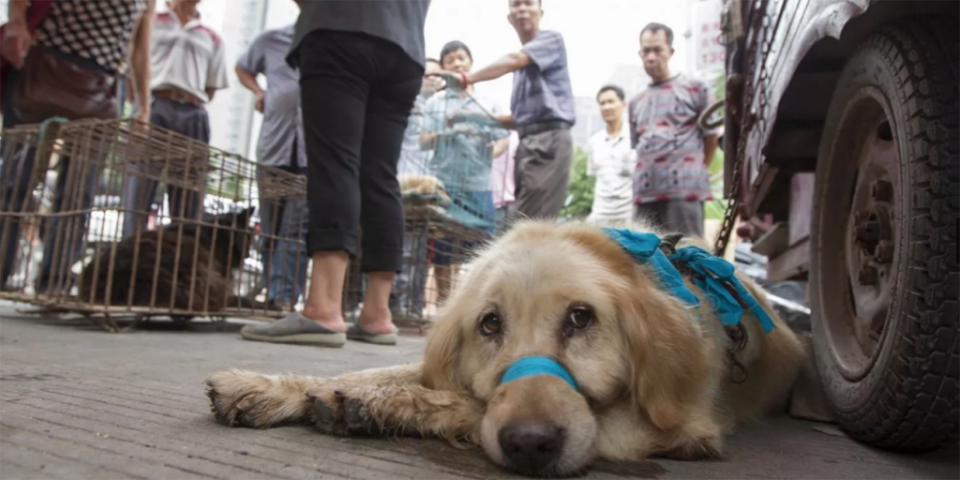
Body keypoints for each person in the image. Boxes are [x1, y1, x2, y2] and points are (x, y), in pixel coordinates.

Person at [238, 0, 432, 347]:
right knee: (381, 175)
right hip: (406, 48)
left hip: (339, 26)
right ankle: (377, 315)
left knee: (335, 164)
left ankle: (323, 310)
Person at [0, 0, 155, 292]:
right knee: (14, 179)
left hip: (102, 85)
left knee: (78, 193)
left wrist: (144, 107)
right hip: (43, 65)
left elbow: (140, 49)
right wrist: (17, 23)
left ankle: (55, 283)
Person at [435, 0, 575, 222]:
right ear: (510, 17)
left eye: (528, 3)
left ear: (541, 11)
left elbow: (514, 59)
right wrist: (470, 117)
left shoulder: (549, 40)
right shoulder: (519, 73)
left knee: (525, 223)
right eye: (516, 4)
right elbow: (516, 120)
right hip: (527, 144)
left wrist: (466, 78)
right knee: (526, 221)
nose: (522, 9)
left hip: (549, 140)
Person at [122, 0, 229, 236]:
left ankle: (180, 260)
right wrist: (140, 104)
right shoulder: (151, 20)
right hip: (154, 106)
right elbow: (132, 62)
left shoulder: (211, 36)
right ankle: (131, 256)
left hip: (193, 114)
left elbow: (211, 88)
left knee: (188, 198)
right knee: (139, 189)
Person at [420, 40, 508, 302]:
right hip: (444, 185)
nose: (456, 64)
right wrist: (448, 134)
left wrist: (490, 151)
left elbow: (503, 139)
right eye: (450, 61)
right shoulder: (435, 103)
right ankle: (446, 304)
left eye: (461, 58)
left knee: (482, 249)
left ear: (470, 63)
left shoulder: (487, 104)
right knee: (443, 251)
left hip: (479, 185)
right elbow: (423, 140)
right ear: (445, 69)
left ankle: (475, 305)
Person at [235, 0, 308, 311]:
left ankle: (283, 298)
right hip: (273, 147)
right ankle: (271, 288)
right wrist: (258, 91)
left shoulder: (330, 43)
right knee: (270, 229)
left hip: (310, 154)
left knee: (296, 231)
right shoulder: (271, 38)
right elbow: (242, 66)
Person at [628, 22, 720, 237]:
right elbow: (637, 145)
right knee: (645, 264)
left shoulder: (696, 87)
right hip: (644, 193)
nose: (651, 57)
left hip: (684, 191)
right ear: (640, 53)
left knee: (688, 257)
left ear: (670, 52)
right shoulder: (635, 101)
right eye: (646, 51)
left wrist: (695, 168)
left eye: (657, 50)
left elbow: (711, 137)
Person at [586, 84, 634, 224]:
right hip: (600, 216)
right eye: (602, 103)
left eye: (611, 101)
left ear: (623, 104)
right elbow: (593, 178)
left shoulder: (635, 135)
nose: (606, 107)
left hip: (630, 215)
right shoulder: (594, 141)